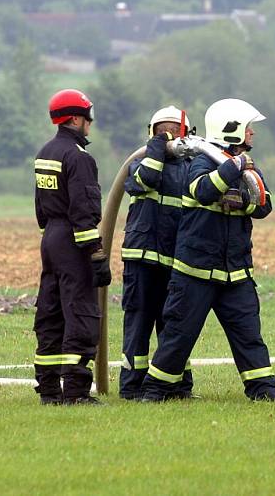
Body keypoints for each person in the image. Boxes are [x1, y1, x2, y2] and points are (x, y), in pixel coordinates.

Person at [141, 98, 275, 402]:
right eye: (249, 128)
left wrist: (244, 199)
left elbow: (265, 204)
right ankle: (154, 392)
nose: (252, 134)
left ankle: (265, 391)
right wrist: (233, 169)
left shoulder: (246, 165)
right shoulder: (201, 162)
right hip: (195, 272)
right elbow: (202, 190)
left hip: (236, 272)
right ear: (232, 129)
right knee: (178, 336)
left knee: (249, 336)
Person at [33, 89, 111, 405]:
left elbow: (40, 205)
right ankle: (77, 393)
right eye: (87, 116)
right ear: (76, 118)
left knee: (51, 313)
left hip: (50, 238)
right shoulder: (78, 156)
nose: (90, 123)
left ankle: (49, 391)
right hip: (72, 242)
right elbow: (84, 210)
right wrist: (96, 254)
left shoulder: (45, 152)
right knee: (81, 312)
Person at [119, 106, 196, 400]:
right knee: (138, 324)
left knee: (174, 325)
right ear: (150, 135)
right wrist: (156, 149)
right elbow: (148, 179)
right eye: (162, 132)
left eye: (176, 132)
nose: (170, 137)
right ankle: (132, 387)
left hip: (177, 261)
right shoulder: (139, 164)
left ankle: (177, 385)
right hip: (143, 260)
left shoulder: (194, 169)